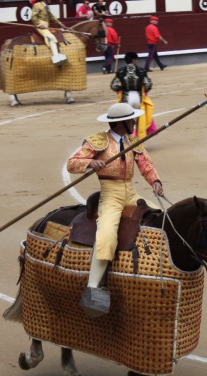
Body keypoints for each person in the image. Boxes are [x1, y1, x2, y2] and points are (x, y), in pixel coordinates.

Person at [67, 103, 164, 317]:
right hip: (110, 194)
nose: (134, 123)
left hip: (130, 192)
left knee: (159, 216)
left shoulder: (133, 142)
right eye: (131, 120)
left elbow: (145, 164)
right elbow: (72, 163)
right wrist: (90, 164)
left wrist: (155, 181)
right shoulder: (98, 141)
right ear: (120, 123)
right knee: (107, 233)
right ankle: (92, 287)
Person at [110, 51, 155, 139]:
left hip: (126, 99)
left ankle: (128, 138)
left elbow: (113, 85)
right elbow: (148, 85)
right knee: (138, 120)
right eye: (136, 60)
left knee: (127, 120)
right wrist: (144, 90)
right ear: (133, 60)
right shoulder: (141, 70)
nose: (137, 61)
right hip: (138, 98)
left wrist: (120, 88)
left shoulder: (120, 71)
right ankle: (138, 139)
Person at [31, 0, 68, 65]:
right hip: (40, 26)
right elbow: (33, 17)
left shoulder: (47, 7)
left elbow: (52, 17)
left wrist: (61, 24)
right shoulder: (37, 5)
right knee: (50, 37)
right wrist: (39, 24)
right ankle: (56, 57)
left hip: (46, 25)